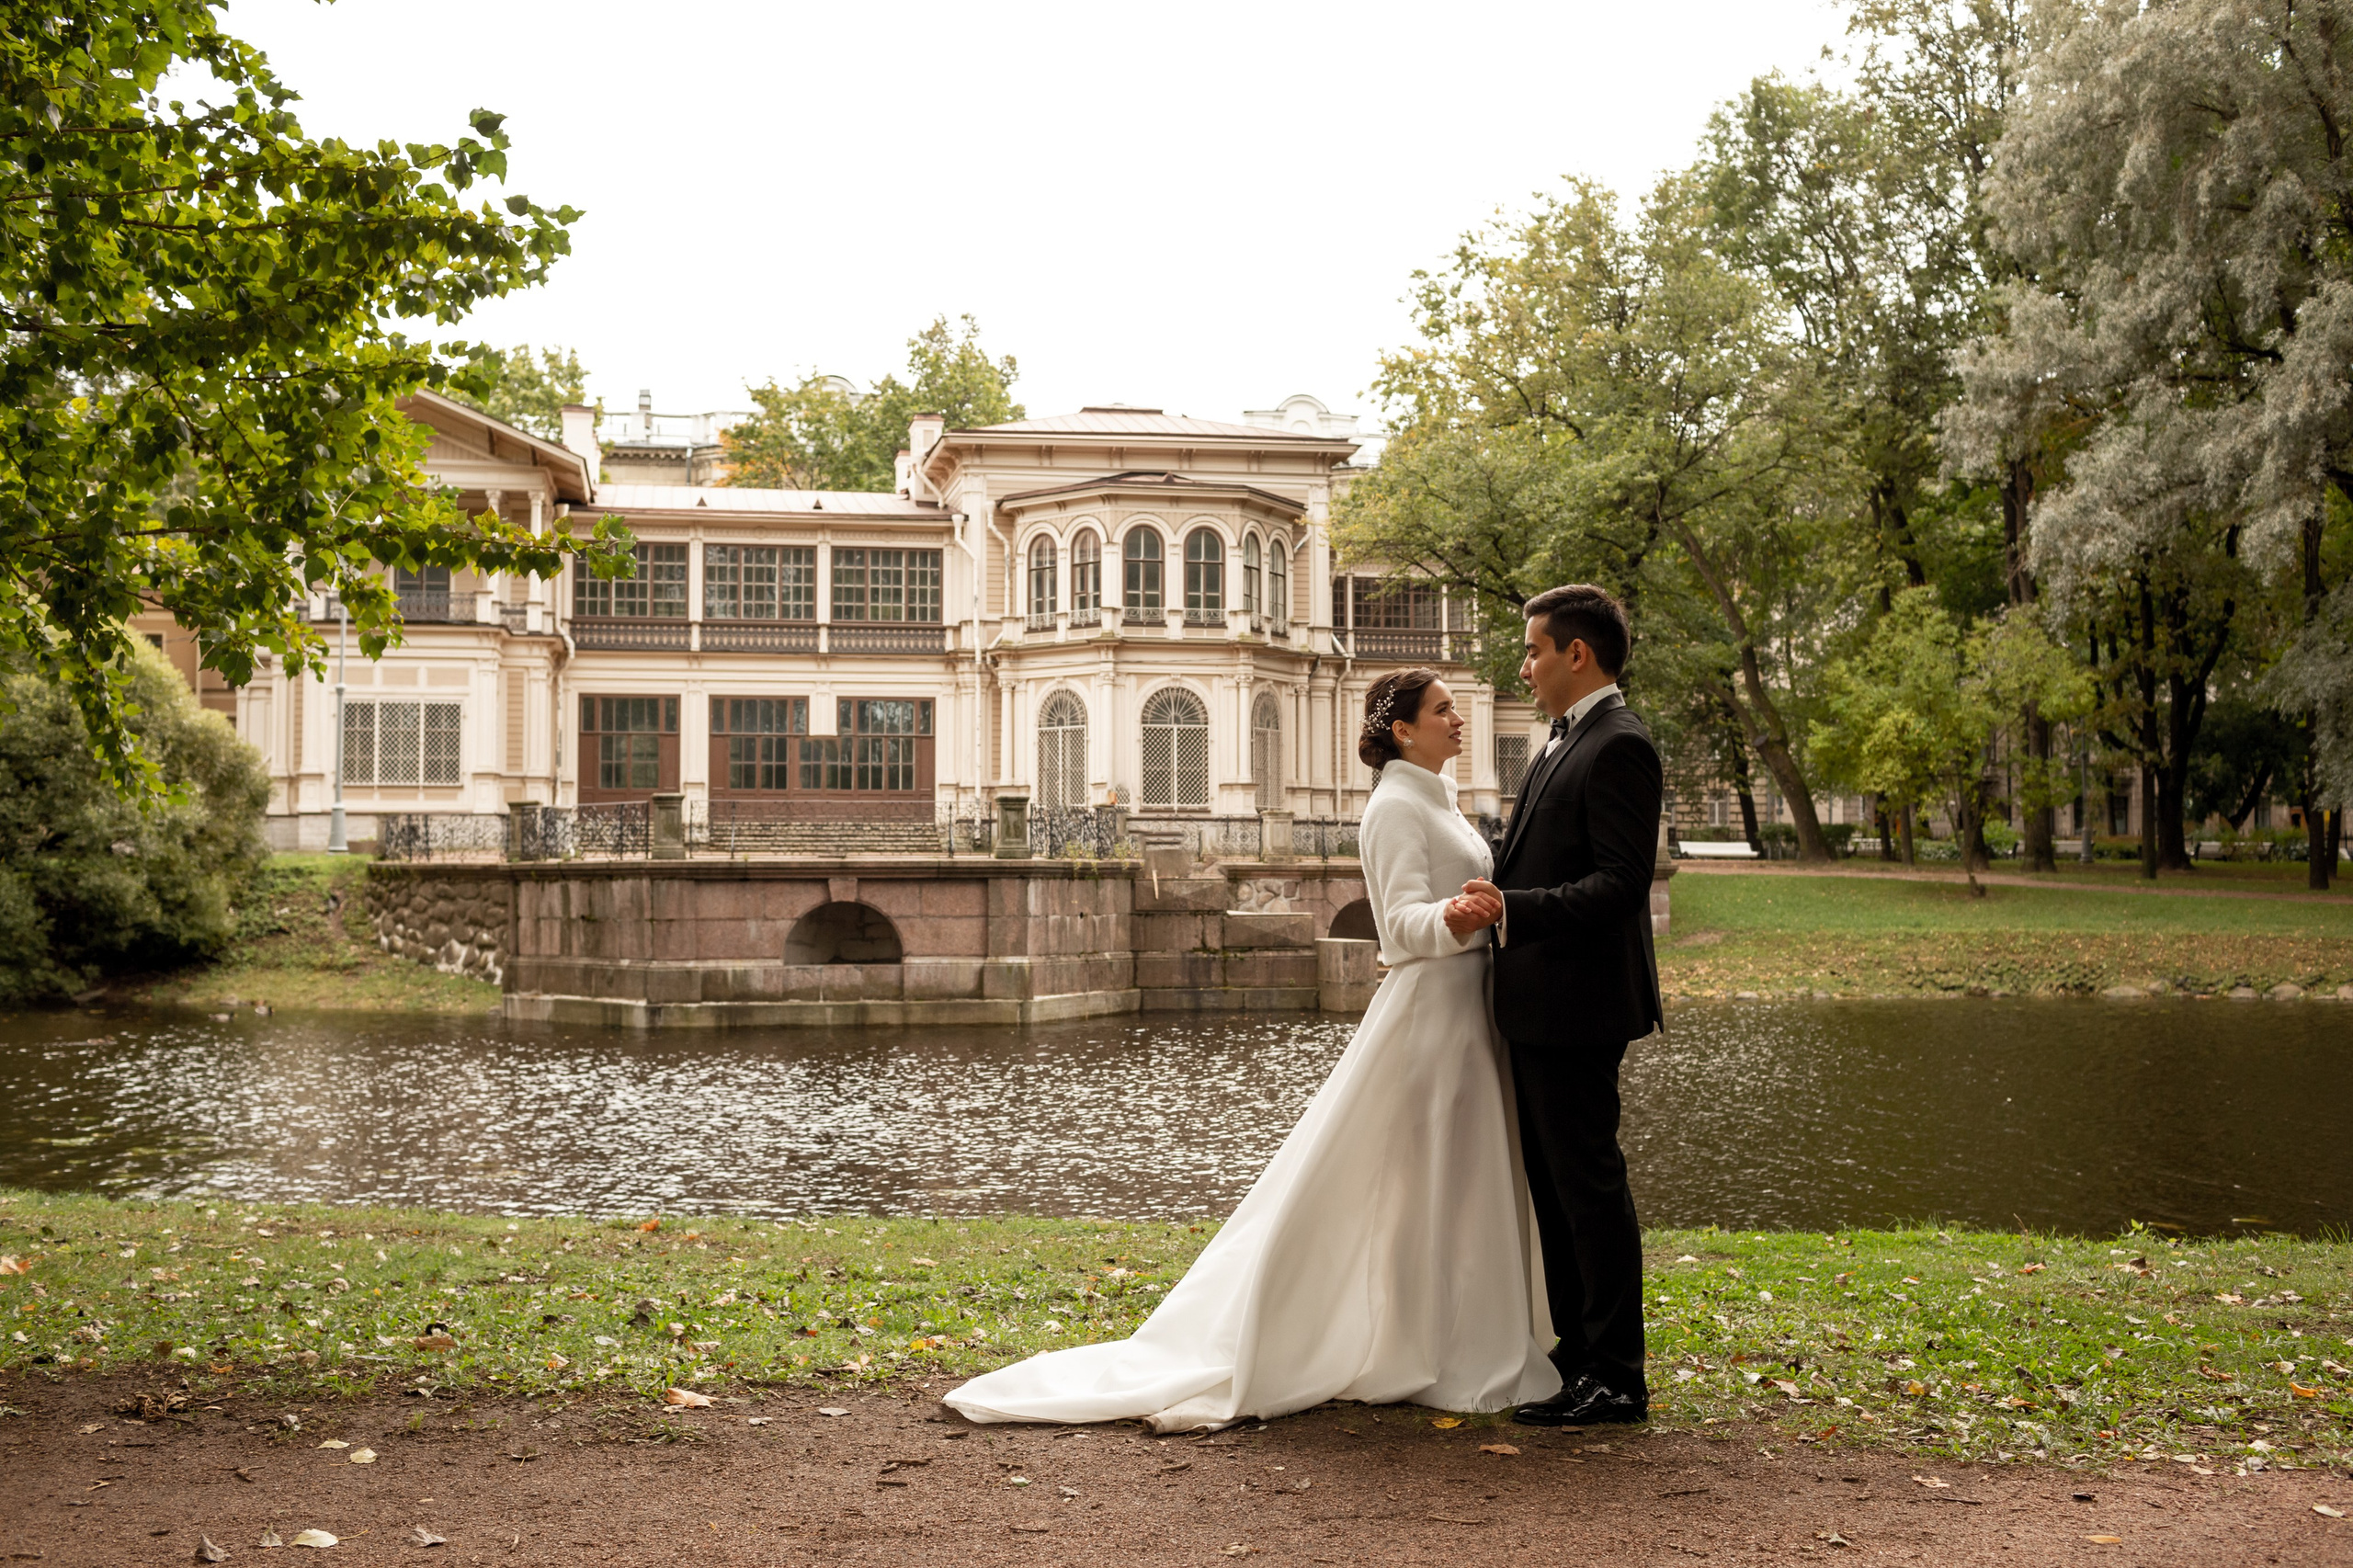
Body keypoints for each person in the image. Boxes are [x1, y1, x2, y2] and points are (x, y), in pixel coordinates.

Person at [942, 670, 1559, 1431]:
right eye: (1442, 711)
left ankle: (1450, 1331)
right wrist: (1457, 918)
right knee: (1430, 1174)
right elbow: (1398, 926)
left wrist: (1480, 916)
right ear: (1403, 729)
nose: (1458, 720)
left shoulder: (1439, 798)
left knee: (1457, 1180)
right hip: (1435, 1012)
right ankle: (1427, 1342)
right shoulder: (1396, 807)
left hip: (1470, 1008)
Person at [1461, 583, 1664, 1428]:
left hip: (1580, 1003)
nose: (1525, 665)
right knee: (1554, 1185)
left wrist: (1516, 910)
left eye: (1534, 650)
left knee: (1587, 1185)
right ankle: (1578, 1361)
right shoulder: (1557, 742)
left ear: (1576, 654)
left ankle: (1616, 1375)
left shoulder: (1620, 744)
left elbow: (1621, 884)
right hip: (1538, 1002)